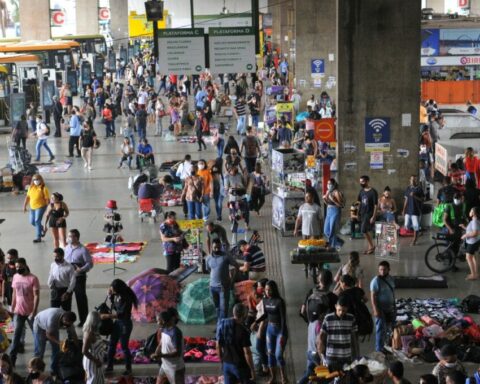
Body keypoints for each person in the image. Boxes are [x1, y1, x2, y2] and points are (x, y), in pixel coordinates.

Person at [251, 280, 288, 384]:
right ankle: (273, 377)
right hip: (270, 330)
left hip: (280, 331)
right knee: (270, 353)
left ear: (274, 289)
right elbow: (265, 314)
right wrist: (256, 322)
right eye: (266, 290)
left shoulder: (280, 301)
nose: (267, 292)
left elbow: (283, 319)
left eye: (269, 289)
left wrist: (283, 334)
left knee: (278, 355)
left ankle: (284, 378)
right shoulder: (265, 300)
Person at [8, 257, 40, 367]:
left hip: (30, 311)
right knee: (16, 334)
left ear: (25, 265)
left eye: (20, 267)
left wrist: (34, 311)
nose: (18, 269)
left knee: (36, 333)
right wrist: (12, 307)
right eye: (17, 267)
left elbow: (36, 295)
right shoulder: (15, 276)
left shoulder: (33, 278)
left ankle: (37, 357)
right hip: (18, 311)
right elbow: (14, 293)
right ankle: (12, 359)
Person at [104, 279, 138, 376]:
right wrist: (110, 297)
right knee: (111, 344)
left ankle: (128, 368)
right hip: (118, 323)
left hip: (125, 324)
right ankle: (109, 366)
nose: (111, 290)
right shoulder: (118, 295)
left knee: (124, 347)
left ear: (118, 289)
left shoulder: (126, 298)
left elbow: (121, 313)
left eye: (113, 289)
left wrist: (108, 316)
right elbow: (116, 307)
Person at [217, 303, 256, 384]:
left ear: (233, 312)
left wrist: (222, 361)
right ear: (243, 315)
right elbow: (247, 353)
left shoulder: (222, 325)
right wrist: (252, 370)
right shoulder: (243, 331)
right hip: (239, 366)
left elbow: (218, 346)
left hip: (226, 364)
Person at [318, 296, 359, 371]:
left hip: (346, 357)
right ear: (335, 306)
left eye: (343, 310)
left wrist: (356, 355)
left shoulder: (351, 318)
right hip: (331, 357)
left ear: (347, 308)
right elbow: (321, 337)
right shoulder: (328, 318)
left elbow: (354, 338)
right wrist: (322, 356)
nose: (341, 313)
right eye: (339, 310)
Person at [33, 308, 78, 376]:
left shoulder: (69, 321)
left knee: (56, 349)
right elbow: (48, 335)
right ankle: (36, 371)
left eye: (70, 324)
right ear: (64, 320)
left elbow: (74, 335)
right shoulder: (52, 320)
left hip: (53, 326)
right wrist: (60, 342)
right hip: (39, 324)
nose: (68, 326)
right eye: (67, 324)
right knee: (40, 350)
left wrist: (77, 347)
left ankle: (54, 369)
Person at [64, 229, 93, 327]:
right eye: (68, 236)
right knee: (67, 298)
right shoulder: (66, 248)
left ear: (76, 237)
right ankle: (66, 319)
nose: (68, 238)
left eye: (70, 236)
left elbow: (90, 263)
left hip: (79, 277)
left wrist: (81, 269)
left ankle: (83, 320)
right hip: (67, 278)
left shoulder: (83, 250)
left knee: (80, 298)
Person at [206, 239, 239, 323]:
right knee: (217, 308)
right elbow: (209, 270)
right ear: (211, 247)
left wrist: (232, 280)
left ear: (221, 247)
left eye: (218, 247)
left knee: (224, 309)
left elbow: (236, 266)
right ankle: (219, 324)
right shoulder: (208, 258)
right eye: (215, 247)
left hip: (223, 287)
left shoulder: (226, 256)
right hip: (212, 287)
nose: (217, 249)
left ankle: (222, 326)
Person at [151, 309, 185, 384]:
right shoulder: (164, 329)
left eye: (158, 321)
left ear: (163, 321)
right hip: (165, 365)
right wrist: (156, 353)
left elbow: (177, 353)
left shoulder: (175, 333)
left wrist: (161, 355)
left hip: (175, 368)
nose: (157, 323)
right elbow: (161, 343)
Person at [370, 261, 395, 353]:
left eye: (384, 269)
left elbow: (392, 292)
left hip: (390, 308)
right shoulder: (376, 281)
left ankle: (387, 346)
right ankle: (379, 349)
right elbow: (372, 296)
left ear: (389, 269)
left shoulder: (391, 279)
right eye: (380, 269)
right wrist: (375, 310)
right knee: (380, 330)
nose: (382, 271)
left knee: (389, 328)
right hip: (380, 309)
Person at [23, 175, 50, 243]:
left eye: (38, 179)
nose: (36, 181)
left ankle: (38, 237)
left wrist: (48, 208)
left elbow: (47, 199)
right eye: (34, 179)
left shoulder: (44, 188)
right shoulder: (31, 187)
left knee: (37, 221)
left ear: (41, 180)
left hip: (41, 206)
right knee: (32, 221)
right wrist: (24, 206)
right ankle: (42, 229)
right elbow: (28, 197)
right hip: (32, 207)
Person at [82, 311, 105, 384]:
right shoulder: (89, 334)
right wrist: (96, 361)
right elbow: (84, 351)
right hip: (92, 361)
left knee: (99, 378)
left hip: (97, 359)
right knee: (93, 380)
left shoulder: (94, 331)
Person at [357, 175, 378, 254]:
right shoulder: (361, 191)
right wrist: (357, 213)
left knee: (363, 230)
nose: (361, 183)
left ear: (367, 181)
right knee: (368, 230)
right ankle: (370, 247)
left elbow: (376, 205)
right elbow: (359, 203)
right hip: (362, 213)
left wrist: (373, 216)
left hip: (369, 213)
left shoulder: (373, 192)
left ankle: (372, 246)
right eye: (360, 182)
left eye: (362, 181)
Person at [402, 175, 425, 246]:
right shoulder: (408, 188)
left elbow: (422, 200)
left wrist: (414, 196)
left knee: (416, 226)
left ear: (416, 180)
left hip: (415, 210)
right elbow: (406, 200)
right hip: (408, 210)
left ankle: (414, 240)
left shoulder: (419, 189)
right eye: (412, 179)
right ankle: (417, 231)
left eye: (414, 180)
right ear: (410, 180)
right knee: (406, 226)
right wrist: (403, 209)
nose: (413, 181)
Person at [323, 178, 345, 250]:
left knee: (332, 230)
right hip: (328, 210)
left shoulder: (336, 192)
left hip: (335, 210)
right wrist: (325, 199)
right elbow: (327, 203)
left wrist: (334, 200)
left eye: (330, 184)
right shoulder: (327, 191)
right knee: (326, 230)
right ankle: (339, 242)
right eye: (328, 184)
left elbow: (342, 205)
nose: (328, 185)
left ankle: (332, 247)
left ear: (334, 184)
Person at [461, 206, 480, 280]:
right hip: (475, 241)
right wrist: (464, 228)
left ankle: (473, 275)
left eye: (471, 211)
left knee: (468, 257)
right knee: (474, 257)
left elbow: (475, 233)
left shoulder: (474, 221)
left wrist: (465, 235)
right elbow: (473, 230)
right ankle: (476, 273)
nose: (470, 212)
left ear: (474, 213)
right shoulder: (475, 220)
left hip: (472, 242)